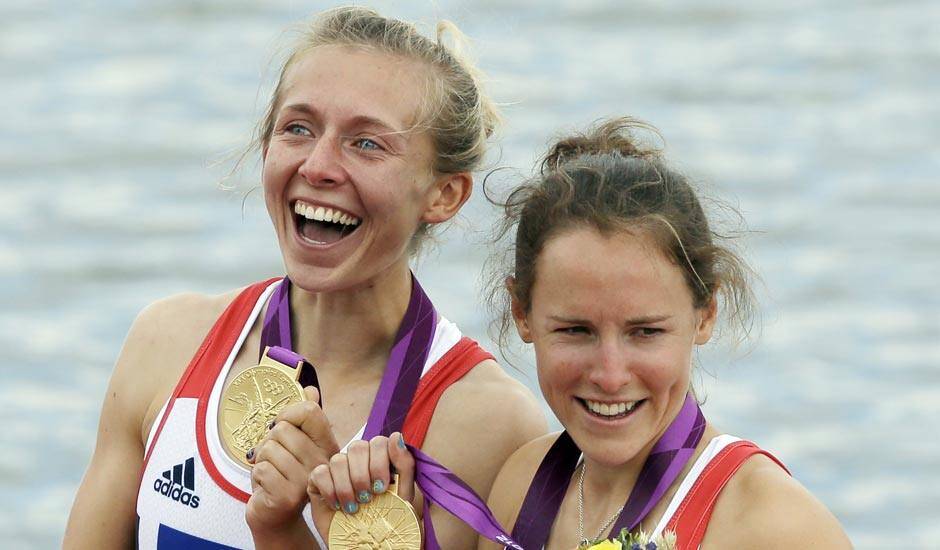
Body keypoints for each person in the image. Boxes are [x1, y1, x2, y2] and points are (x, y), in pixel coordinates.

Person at [63, 7, 546, 549]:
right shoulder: (168, 344)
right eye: (298, 128)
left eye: (367, 143)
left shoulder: (493, 428)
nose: (317, 165)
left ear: (445, 194)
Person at [311, 117, 852, 549]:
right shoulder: (520, 485)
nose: (610, 374)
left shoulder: (772, 526)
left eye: (645, 332)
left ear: (705, 314)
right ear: (522, 313)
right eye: (576, 330)